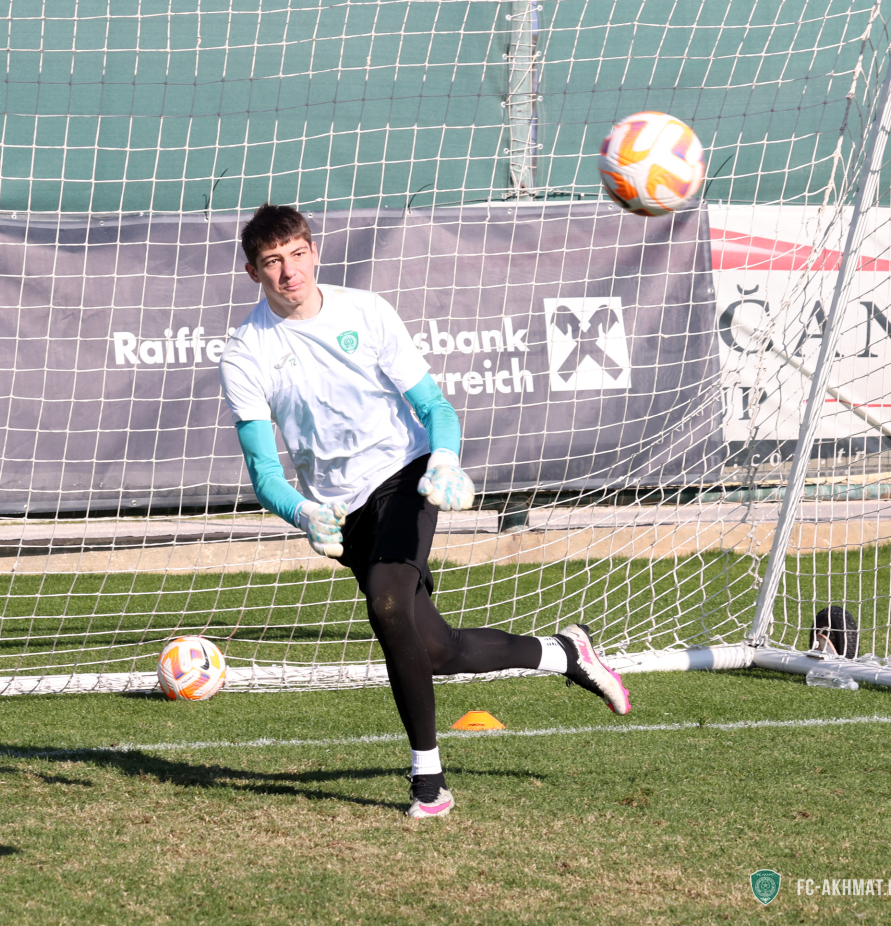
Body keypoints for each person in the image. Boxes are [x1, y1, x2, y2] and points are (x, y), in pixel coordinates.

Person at [218, 204, 631, 819]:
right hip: (342, 509)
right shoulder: (245, 353)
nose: (289, 271)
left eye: (298, 254)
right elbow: (264, 474)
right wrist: (303, 513)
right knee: (435, 650)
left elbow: (436, 407)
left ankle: (428, 780)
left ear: (314, 252)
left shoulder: (366, 312)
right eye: (272, 261)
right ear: (254, 272)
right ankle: (565, 654)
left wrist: (444, 461)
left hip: (403, 473)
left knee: (387, 605)